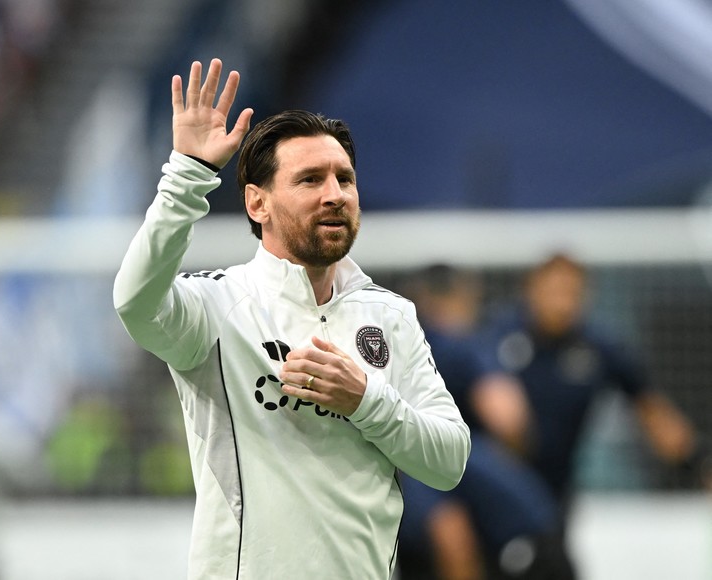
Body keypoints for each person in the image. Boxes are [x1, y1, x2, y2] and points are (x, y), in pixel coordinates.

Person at [112, 58, 470, 579]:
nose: (335, 194)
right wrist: (187, 176)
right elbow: (135, 301)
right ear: (257, 204)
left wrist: (365, 400)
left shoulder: (390, 315)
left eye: (344, 178)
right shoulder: (218, 307)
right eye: (310, 180)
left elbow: (450, 462)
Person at [397, 265, 574, 580]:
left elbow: (452, 539)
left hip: (523, 551)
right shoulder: (463, 347)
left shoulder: (422, 452)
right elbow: (510, 421)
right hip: (534, 528)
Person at [491, 253, 711, 506]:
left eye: (571, 293)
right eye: (554, 291)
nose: (562, 303)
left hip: (557, 488)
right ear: (531, 290)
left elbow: (652, 412)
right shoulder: (497, 336)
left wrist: (699, 461)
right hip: (496, 481)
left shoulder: (599, 348)